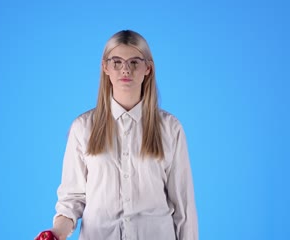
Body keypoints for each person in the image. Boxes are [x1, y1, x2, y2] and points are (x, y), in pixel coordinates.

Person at [36, 30, 198, 240]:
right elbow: (72, 200)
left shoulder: (170, 129)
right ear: (105, 67)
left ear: (147, 68)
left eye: (134, 62)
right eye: (117, 62)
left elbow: (183, 209)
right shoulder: (83, 128)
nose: (125, 70)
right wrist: (55, 234)